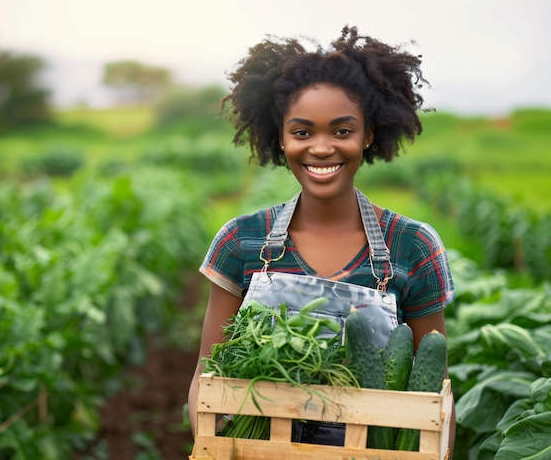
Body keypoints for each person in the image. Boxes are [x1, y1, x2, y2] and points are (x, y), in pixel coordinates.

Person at [188, 25, 456, 455]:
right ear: (281, 138)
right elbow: (207, 381)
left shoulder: (413, 247)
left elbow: (433, 402)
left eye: (342, 131)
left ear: (368, 135)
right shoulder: (240, 240)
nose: (321, 147)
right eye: (302, 132)